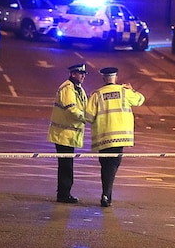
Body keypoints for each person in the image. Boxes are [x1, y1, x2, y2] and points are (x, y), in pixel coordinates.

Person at [85, 67, 145, 207]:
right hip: (119, 137)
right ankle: (106, 196)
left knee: (106, 166)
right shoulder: (124, 92)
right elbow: (140, 100)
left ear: (103, 78)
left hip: (104, 137)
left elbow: (88, 116)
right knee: (112, 165)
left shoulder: (97, 94)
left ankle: (106, 195)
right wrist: (132, 90)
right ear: (116, 78)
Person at [48, 63, 88, 204]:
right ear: (73, 74)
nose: (83, 76)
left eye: (84, 74)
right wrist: (86, 117)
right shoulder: (67, 88)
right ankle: (64, 194)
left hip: (69, 134)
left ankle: (65, 193)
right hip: (62, 133)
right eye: (80, 73)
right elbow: (71, 109)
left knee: (67, 165)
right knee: (66, 166)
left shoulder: (78, 89)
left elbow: (85, 107)